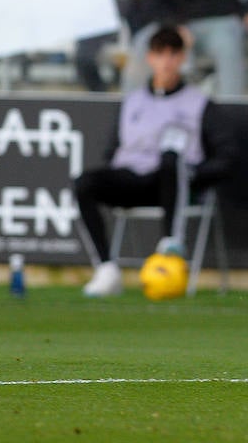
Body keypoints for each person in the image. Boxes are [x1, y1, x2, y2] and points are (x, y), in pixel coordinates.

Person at [74, 24, 235, 296]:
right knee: (84, 183)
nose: (166, 62)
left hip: (175, 182)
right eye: (160, 53)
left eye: (173, 54)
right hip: (133, 179)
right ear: (150, 58)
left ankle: (171, 247)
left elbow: (227, 157)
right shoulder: (132, 102)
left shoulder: (200, 104)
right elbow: (112, 150)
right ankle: (106, 269)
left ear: (182, 58)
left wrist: (196, 174)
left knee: (171, 159)